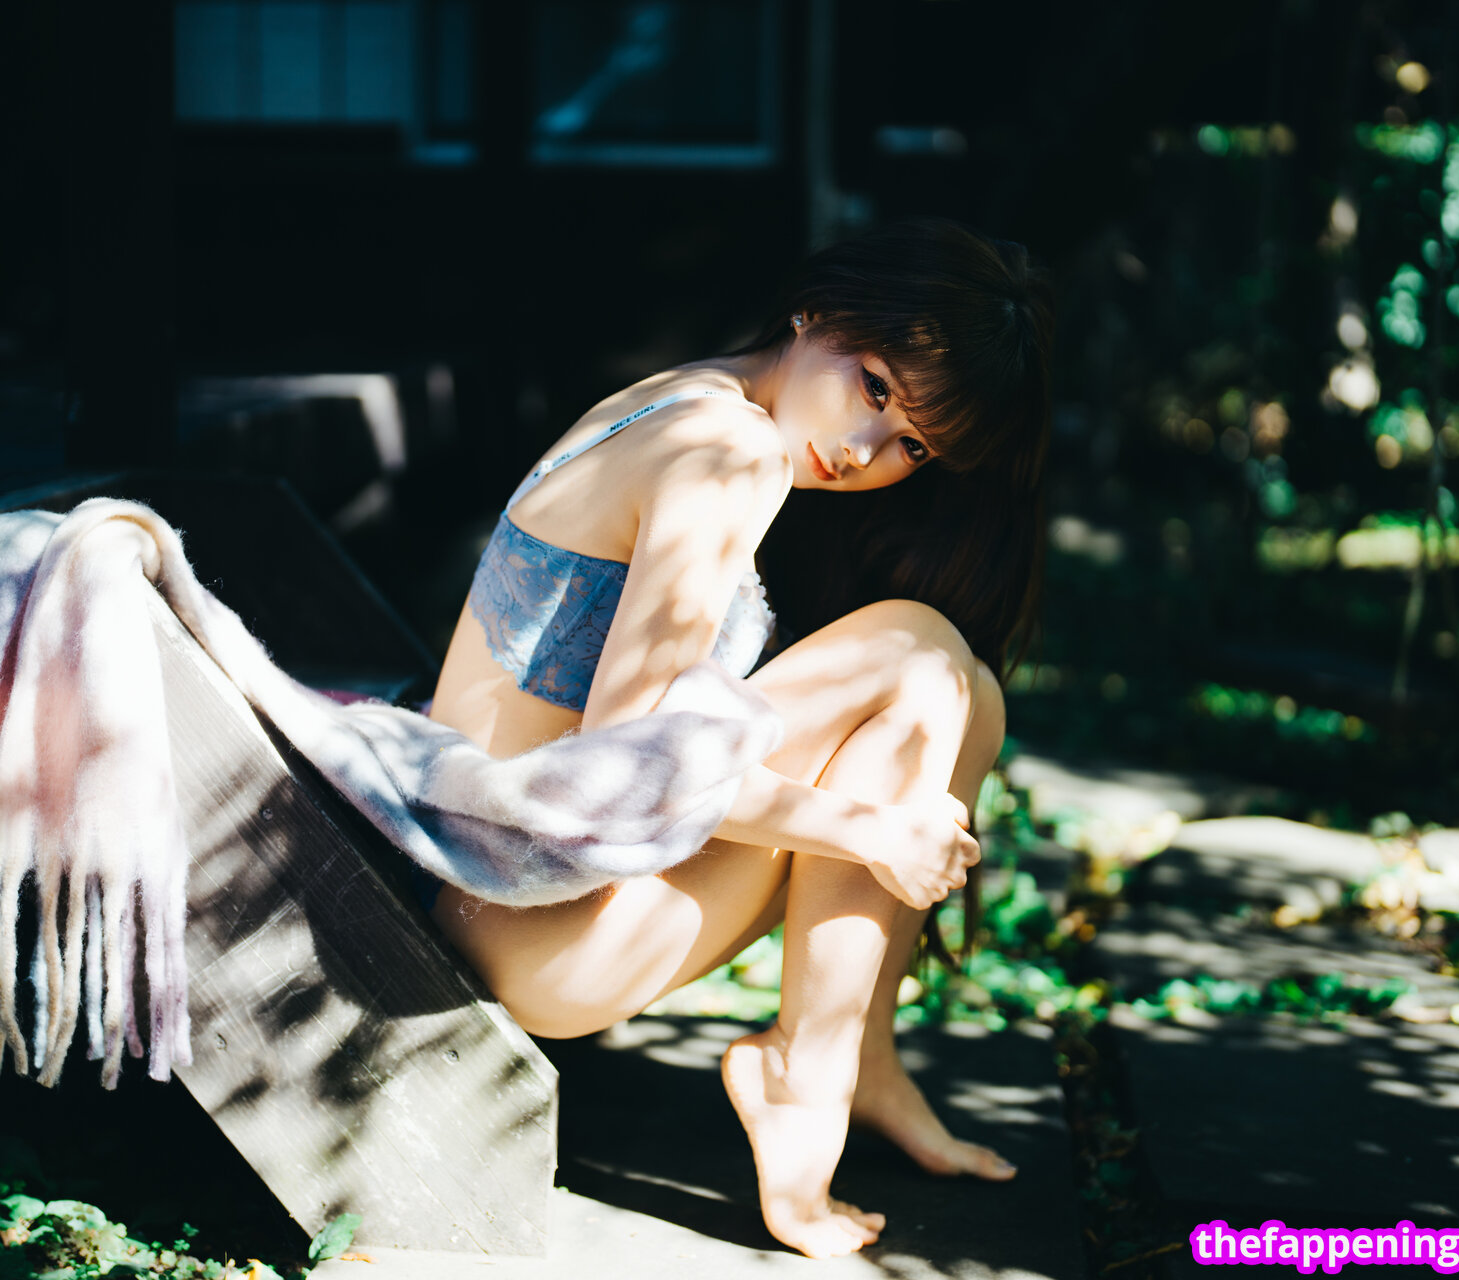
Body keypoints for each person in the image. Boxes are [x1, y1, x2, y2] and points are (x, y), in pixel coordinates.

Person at [422, 216, 1053, 1259]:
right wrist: (865, 828)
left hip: (500, 884)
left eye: (913, 446)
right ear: (817, 312)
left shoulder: (687, 398)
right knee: (917, 651)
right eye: (876, 388)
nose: (864, 453)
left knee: (968, 696)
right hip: (532, 927)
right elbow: (622, 763)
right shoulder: (731, 452)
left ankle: (861, 1054)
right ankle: (806, 1076)